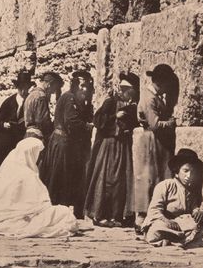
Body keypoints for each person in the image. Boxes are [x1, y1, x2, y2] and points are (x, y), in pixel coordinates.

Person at [0, 136, 91, 238]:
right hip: (24, 217)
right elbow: (40, 204)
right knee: (64, 213)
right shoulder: (27, 174)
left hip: (3, 216)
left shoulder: (11, 168)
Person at [84, 72, 139, 227]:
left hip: (122, 146)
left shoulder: (132, 105)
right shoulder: (110, 102)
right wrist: (115, 116)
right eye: (122, 89)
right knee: (105, 179)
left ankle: (116, 215)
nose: (124, 92)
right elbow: (98, 121)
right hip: (109, 146)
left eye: (126, 90)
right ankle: (100, 214)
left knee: (120, 181)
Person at [132, 63, 178, 230]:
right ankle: (142, 217)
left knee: (154, 176)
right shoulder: (149, 97)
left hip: (155, 141)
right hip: (151, 141)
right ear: (161, 82)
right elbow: (155, 124)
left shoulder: (154, 96)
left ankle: (151, 215)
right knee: (148, 177)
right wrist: (171, 123)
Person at [47, 70, 94, 217]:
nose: (84, 89)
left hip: (69, 144)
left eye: (87, 86)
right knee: (61, 177)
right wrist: (88, 126)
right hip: (63, 143)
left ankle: (71, 209)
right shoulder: (69, 98)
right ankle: (57, 210)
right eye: (82, 86)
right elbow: (71, 122)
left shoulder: (78, 99)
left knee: (71, 177)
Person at [141, 148, 203, 248]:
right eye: (185, 171)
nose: (189, 175)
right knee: (155, 230)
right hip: (165, 223)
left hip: (183, 224)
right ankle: (184, 239)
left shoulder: (191, 189)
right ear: (177, 171)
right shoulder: (165, 185)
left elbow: (193, 207)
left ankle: (177, 239)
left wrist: (197, 212)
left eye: (192, 172)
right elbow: (154, 210)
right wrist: (167, 221)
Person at [0, 69, 32, 170]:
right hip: (6, 141)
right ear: (18, 88)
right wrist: (4, 124)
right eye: (22, 88)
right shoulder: (8, 102)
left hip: (19, 140)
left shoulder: (29, 101)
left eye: (26, 87)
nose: (24, 91)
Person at [25, 70, 62, 143]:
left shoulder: (31, 95)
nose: (52, 93)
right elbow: (42, 122)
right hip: (37, 137)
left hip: (27, 135)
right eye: (53, 90)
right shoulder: (41, 97)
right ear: (49, 85)